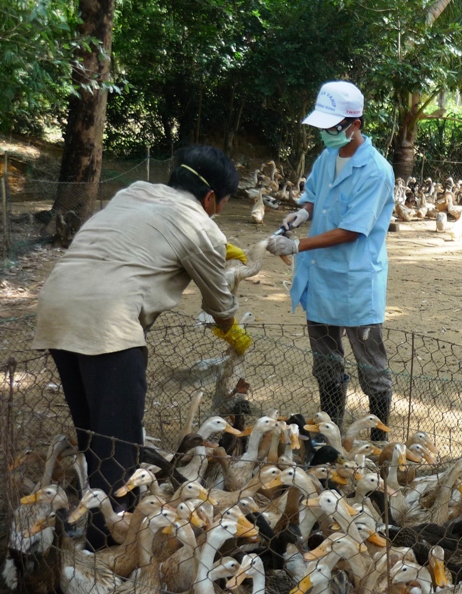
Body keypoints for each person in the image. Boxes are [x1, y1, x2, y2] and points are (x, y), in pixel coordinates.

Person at [32, 145, 252, 546]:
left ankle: (90, 523)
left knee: (94, 434)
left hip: (57, 306)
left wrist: (217, 250)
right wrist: (231, 330)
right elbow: (220, 302)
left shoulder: (133, 191)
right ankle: (108, 546)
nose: (218, 211)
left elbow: (143, 238)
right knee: (117, 447)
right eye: (222, 203)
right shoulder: (202, 226)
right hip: (108, 322)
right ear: (209, 199)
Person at [266, 81, 395, 440]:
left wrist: (297, 247)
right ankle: (330, 433)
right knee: (326, 361)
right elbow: (312, 199)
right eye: (322, 127)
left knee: (371, 365)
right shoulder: (325, 159)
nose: (326, 134)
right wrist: (296, 219)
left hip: (355, 280)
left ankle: (378, 439)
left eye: (333, 127)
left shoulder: (376, 171)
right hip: (321, 278)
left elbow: (352, 230)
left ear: (355, 124)